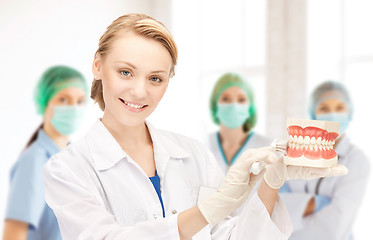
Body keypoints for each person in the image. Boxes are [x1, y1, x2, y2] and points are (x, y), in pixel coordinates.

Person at [42, 14, 347, 240]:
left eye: (155, 78)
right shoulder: (66, 170)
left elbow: (231, 235)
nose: (139, 91)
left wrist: (270, 183)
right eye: (125, 72)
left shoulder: (192, 153)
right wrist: (208, 209)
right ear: (98, 66)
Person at [2, 66, 88, 240]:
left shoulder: (74, 158)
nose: (73, 108)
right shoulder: (35, 160)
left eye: (80, 101)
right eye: (63, 100)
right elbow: (13, 234)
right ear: (45, 102)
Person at [279, 81, 370, 240]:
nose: (333, 114)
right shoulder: (293, 153)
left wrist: (298, 209)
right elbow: (275, 208)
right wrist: (317, 202)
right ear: (313, 114)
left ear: (349, 112)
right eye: (324, 108)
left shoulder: (357, 160)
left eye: (340, 108)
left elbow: (336, 225)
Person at [208, 73, 272, 173]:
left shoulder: (266, 148)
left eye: (241, 100)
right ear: (215, 105)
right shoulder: (203, 145)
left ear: (250, 107)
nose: (234, 105)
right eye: (226, 99)